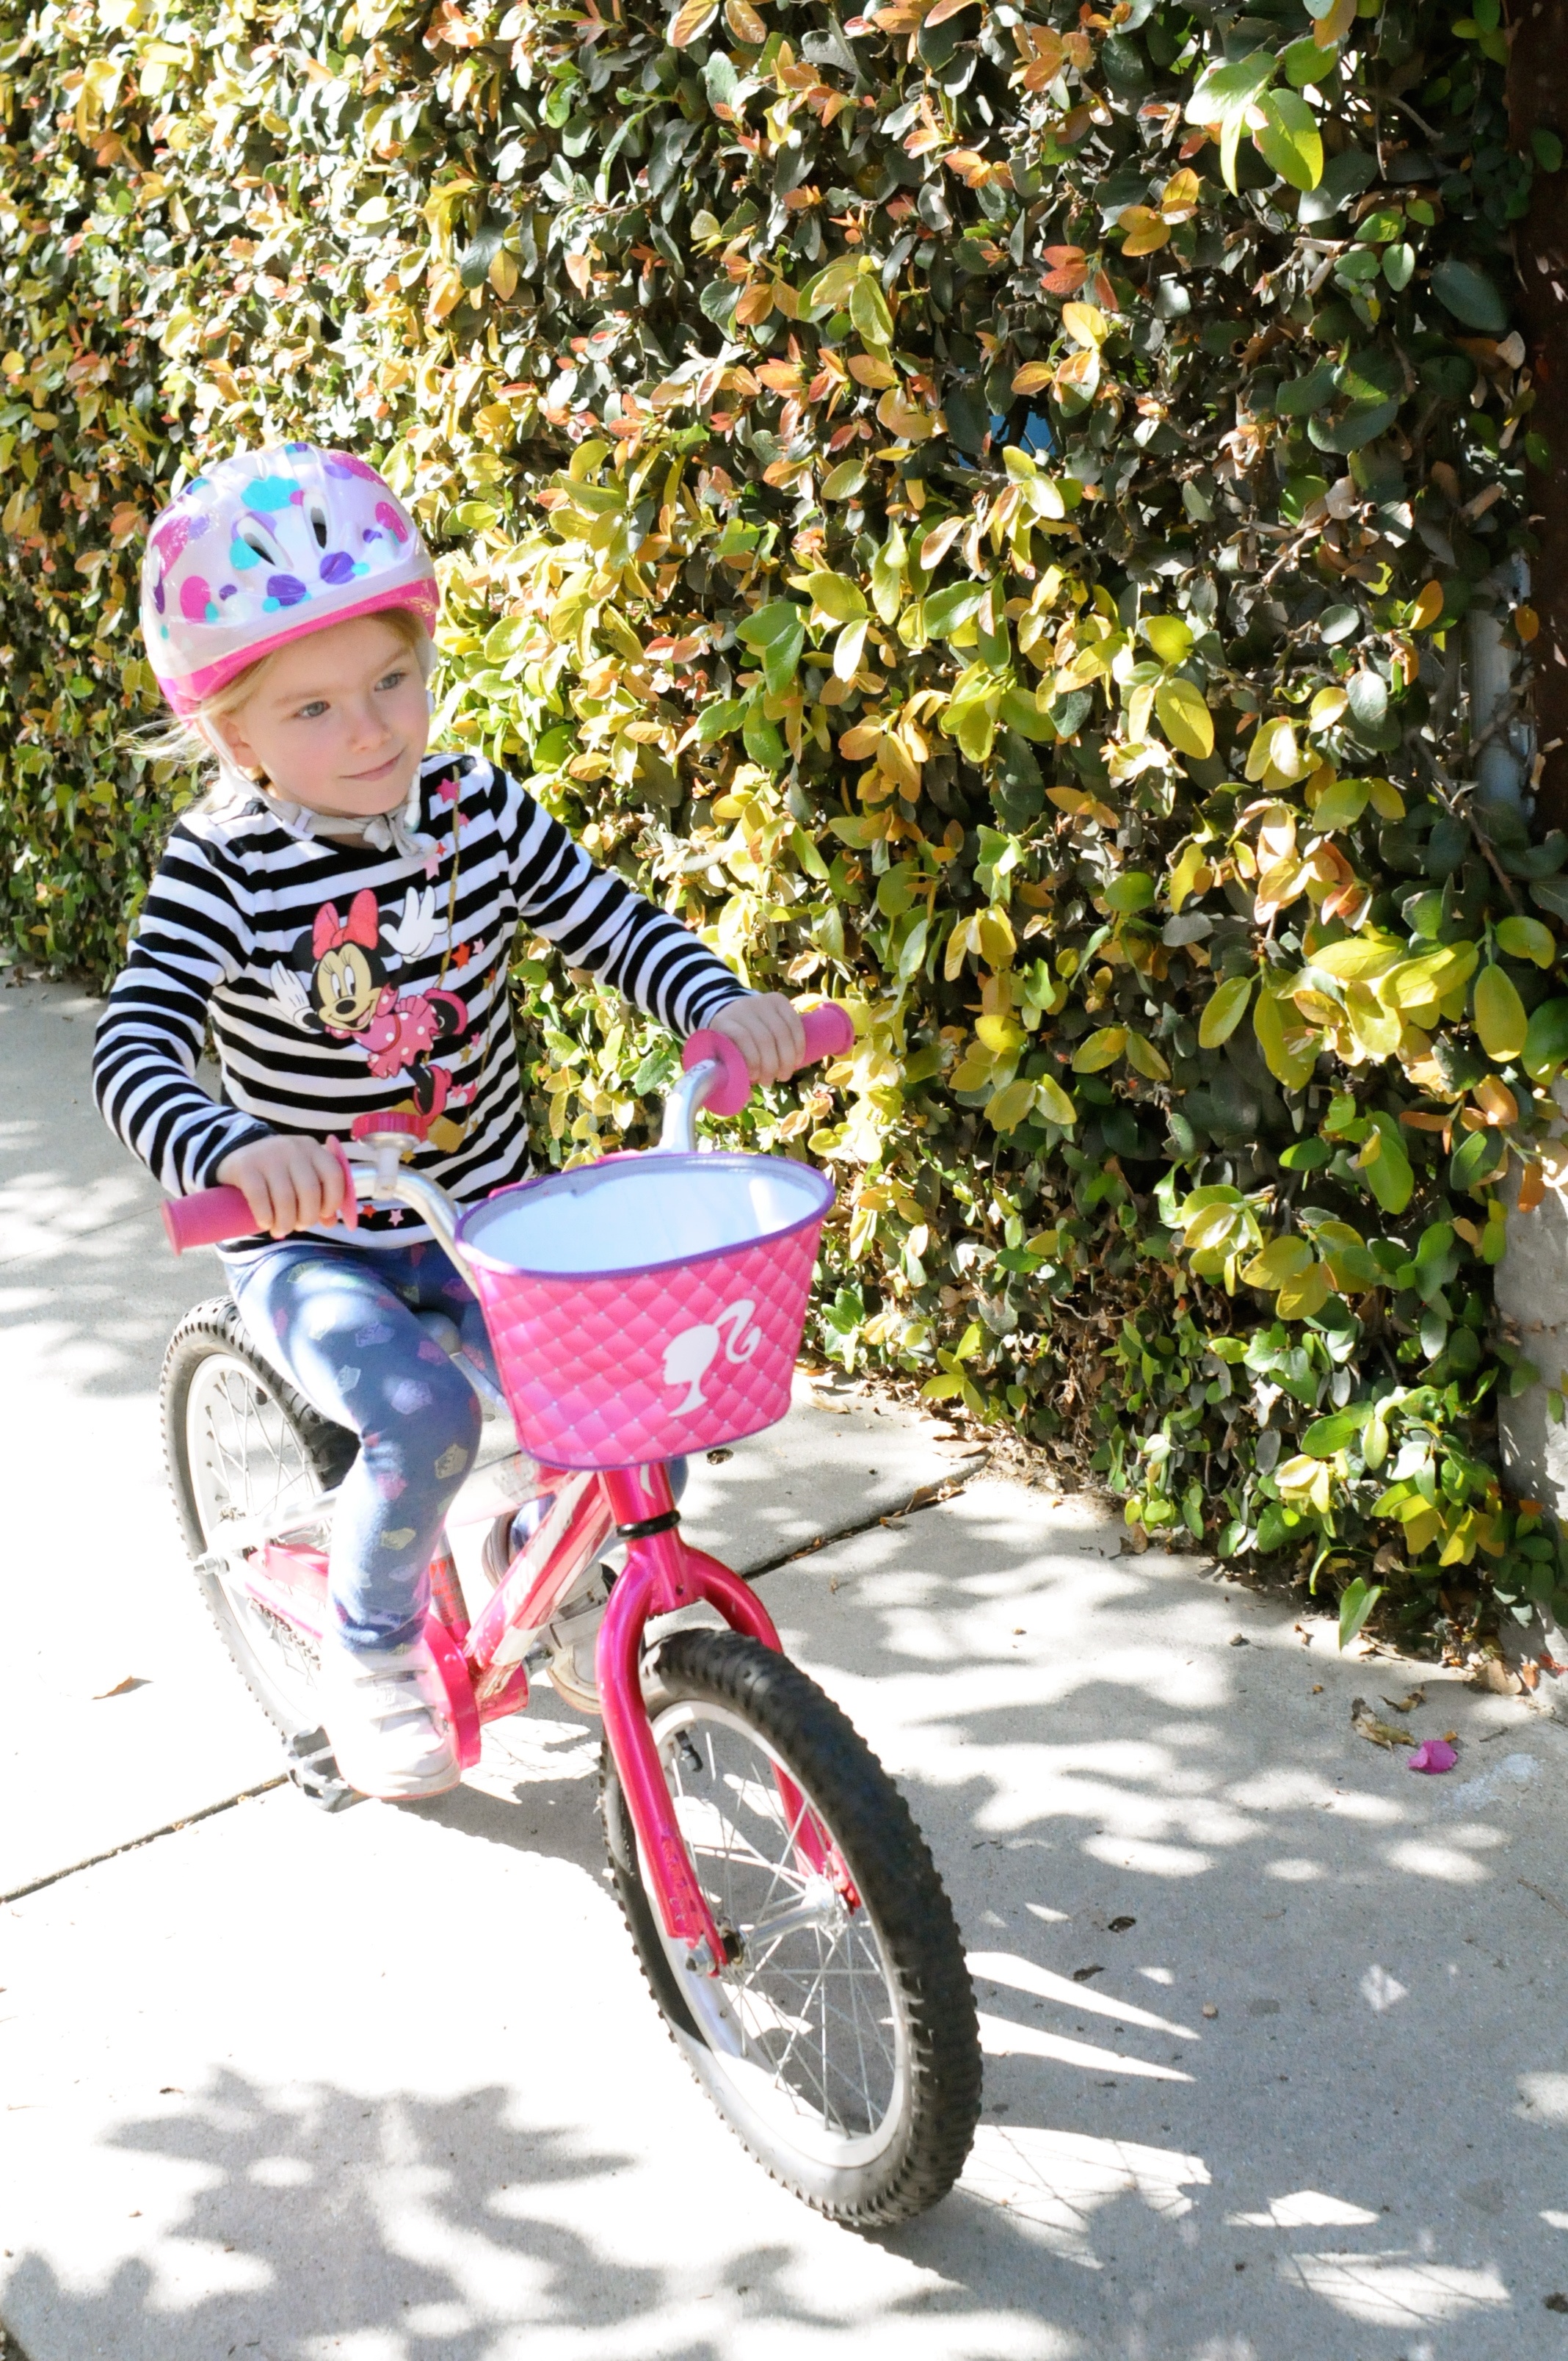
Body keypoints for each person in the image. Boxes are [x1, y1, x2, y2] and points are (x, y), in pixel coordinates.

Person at [94, 442, 805, 1801]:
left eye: (392, 680)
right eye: (313, 710)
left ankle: (524, 1559)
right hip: (316, 1248)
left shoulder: (476, 809)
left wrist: (718, 1006)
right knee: (423, 1420)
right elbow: (133, 1046)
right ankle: (369, 1651)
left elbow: (609, 921)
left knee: (640, 1403)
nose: (371, 730)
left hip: (484, 1222)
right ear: (235, 737)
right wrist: (233, 1151)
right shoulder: (222, 870)